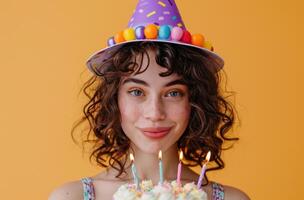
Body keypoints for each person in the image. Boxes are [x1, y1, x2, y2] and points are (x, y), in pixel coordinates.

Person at [49, 1, 250, 200]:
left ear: (194, 101)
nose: (154, 113)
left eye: (173, 93)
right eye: (137, 92)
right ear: (113, 99)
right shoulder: (70, 197)